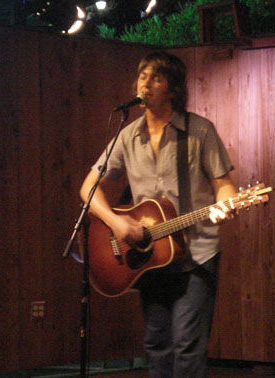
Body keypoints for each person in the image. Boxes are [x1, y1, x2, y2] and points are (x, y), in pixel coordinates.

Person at [80, 51, 238, 378]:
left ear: (173, 89)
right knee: (156, 344)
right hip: (152, 258)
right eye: (142, 76)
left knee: (187, 346)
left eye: (156, 77)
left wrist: (226, 205)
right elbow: (89, 188)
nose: (146, 83)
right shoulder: (127, 135)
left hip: (197, 256)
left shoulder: (200, 131)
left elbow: (225, 187)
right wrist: (116, 221)